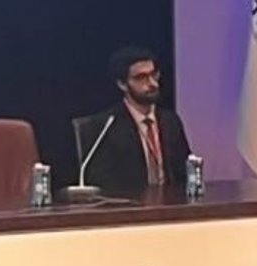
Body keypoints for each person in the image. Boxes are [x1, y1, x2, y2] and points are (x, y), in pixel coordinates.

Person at [82, 46, 191, 197]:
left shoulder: (170, 121)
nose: (152, 83)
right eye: (141, 77)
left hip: (170, 205)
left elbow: (185, 172)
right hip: (129, 206)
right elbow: (101, 182)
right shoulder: (106, 126)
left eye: (154, 75)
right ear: (122, 84)